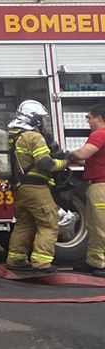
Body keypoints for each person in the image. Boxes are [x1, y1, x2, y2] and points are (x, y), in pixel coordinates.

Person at [6, 100, 70, 274]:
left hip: (19, 188)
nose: (43, 123)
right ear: (33, 119)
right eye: (41, 119)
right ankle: (42, 263)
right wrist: (63, 163)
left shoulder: (13, 135)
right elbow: (45, 164)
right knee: (49, 223)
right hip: (36, 188)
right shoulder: (33, 137)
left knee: (24, 223)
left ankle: (16, 259)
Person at [62, 102, 105, 276]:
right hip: (97, 186)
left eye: (90, 117)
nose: (88, 121)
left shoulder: (99, 134)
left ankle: (101, 264)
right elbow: (90, 160)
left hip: (100, 187)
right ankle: (94, 261)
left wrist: (67, 153)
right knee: (93, 225)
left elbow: (83, 154)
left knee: (100, 226)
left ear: (99, 118)